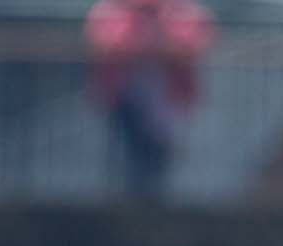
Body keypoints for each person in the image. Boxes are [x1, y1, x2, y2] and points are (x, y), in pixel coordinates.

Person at [85, 0, 213, 199]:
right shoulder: (113, 11)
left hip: (169, 100)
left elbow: (192, 45)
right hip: (123, 98)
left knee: (161, 157)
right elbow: (105, 43)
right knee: (128, 157)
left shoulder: (182, 12)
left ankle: (153, 200)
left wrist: (159, 40)